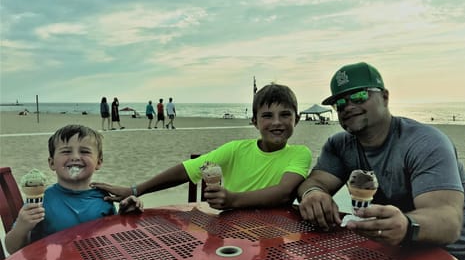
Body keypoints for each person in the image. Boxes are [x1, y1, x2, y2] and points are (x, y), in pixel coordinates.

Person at [297, 62, 465, 260]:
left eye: (358, 96)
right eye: (340, 102)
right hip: (397, 255)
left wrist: (406, 225)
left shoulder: (425, 142)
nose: (347, 106)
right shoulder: (339, 145)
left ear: (385, 97)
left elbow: (448, 222)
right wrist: (313, 194)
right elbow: (316, 181)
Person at [91, 83, 312, 210]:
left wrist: (232, 199)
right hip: (233, 231)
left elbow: (283, 193)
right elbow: (188, 169)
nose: (276, 122)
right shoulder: (235, 149)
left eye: (285, 115)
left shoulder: (299, 154)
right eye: (267, 116)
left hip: (278, 231)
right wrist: (135, 190)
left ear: (297, 119)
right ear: (254, 121)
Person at [5, 125, 143, 254]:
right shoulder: (42, 201)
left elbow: (112, 239)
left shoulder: (104, 198)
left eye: (84, 151)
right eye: (66, 151)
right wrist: (22, 226)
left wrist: (124, 216)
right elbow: (12, 249)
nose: (75, 157)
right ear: (52, 163)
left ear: (99, 162)